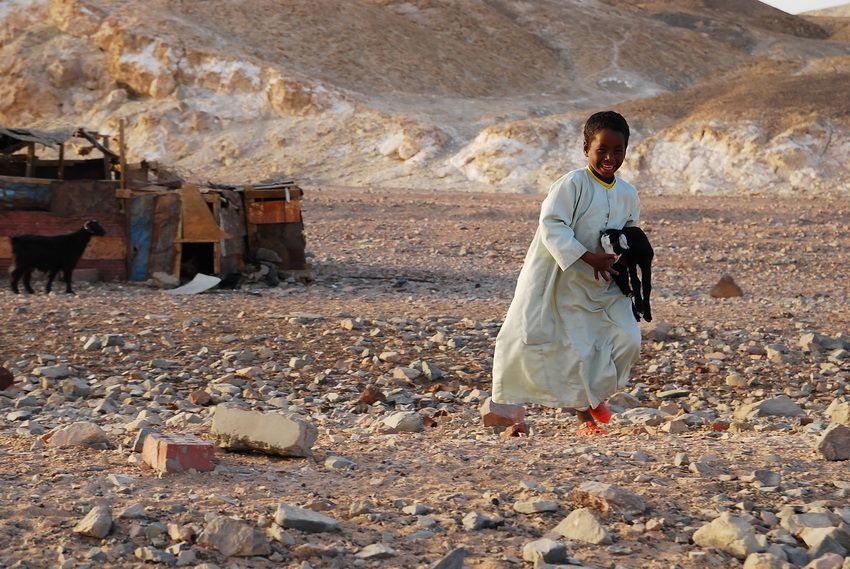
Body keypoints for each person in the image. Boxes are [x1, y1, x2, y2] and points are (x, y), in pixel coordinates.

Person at [491, 110, 642, 436]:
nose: (609, 158)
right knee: (578, 350)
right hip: (568, 280)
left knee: (628, 340)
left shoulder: (628, 193)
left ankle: (594, 395)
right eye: (602, 149)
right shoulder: (572, 184)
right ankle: (586, 417)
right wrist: (588, 257)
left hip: (608, 285)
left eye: (618, 151)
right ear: (586, 147)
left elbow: (630, 232)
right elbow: (552, 225)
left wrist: (627, 260)